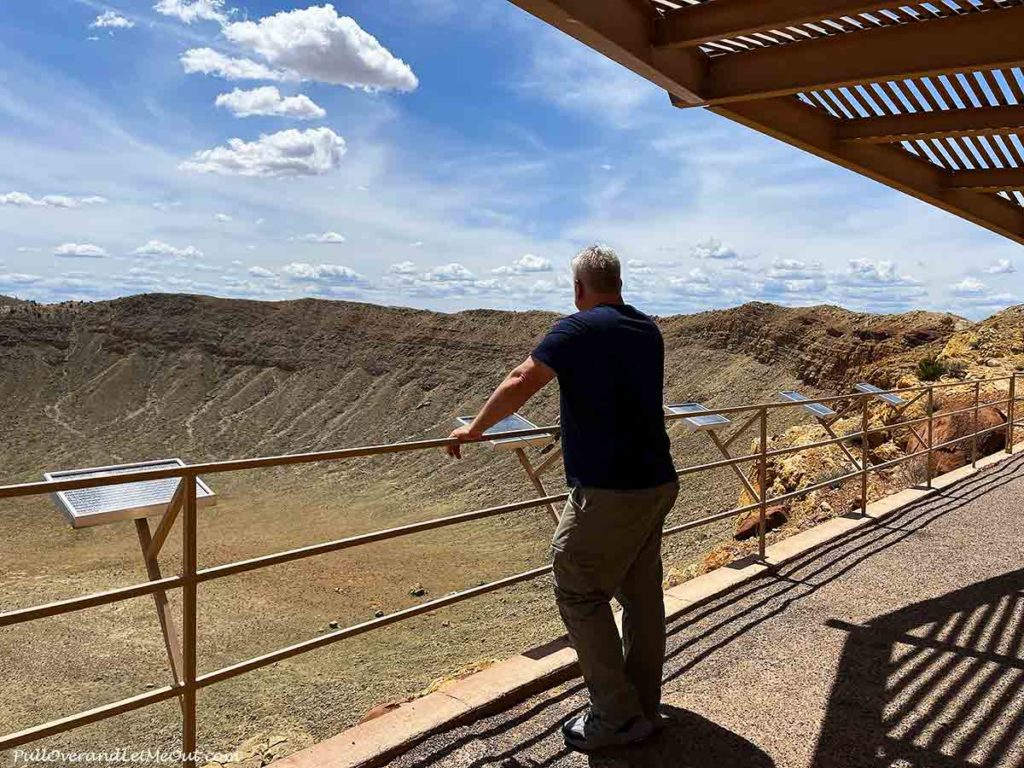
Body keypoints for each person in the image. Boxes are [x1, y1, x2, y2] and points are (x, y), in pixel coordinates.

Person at [446, 244, 678, 752]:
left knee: (576, 586)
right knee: (641, 596)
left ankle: (616, 716)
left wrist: (475, 430)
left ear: (578, 288)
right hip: (657, 481)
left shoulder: (576, 329)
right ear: (618, 281)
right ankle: (641, 704)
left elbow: (522, 379)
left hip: (610, 488)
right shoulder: (647, 329)